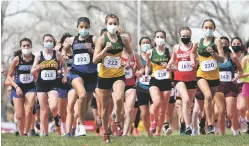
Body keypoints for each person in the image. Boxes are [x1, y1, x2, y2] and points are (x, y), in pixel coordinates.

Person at [93, 14, 133, 142]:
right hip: (104, 76)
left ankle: (116, 122)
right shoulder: (101, 40)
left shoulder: (123, 40)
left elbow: (131, 52)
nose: (112, 26)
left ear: (118, 25)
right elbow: (95, 60)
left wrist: (127, 62)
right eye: (110, 23)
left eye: (115, 23)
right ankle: (106, 132)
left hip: (118, 74)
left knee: (119, 97)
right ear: (106, 25)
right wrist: (105, 49)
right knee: (104, 109)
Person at [62, 17, 97, 136]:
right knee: (81, 95)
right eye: (81, 27)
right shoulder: (72, 40)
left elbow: (100, 54)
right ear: (77, 27)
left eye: (86, 27)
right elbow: (64, 49)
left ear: (89, 28)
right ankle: (82, 125)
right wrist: (64, 55)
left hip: (91, 74)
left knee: (85, 103)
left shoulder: (94, 39)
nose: (84, 29)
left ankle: (79, 123)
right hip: (76, 72)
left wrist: (91, 50)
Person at [190, 19, 224, 134]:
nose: (208, 30)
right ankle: (210, 125)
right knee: (208, 96)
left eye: (210, 27)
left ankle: (203, 119)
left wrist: (213, 54)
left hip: (214, 77)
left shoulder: (217, 41)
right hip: (201, 75)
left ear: (214, 29)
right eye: (206, 27)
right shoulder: (197, 42)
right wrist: (192, 61)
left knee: (208, 104)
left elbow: (222, 58)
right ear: (202, 28)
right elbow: (191, 52)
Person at [31, 34, 68, 136]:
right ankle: (44, 133)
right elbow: (32, 71)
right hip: (41, 85)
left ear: (53, 42)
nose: (49, 43)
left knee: (54, 107)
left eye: (51, 41)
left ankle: (56, 116)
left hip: (53, 84)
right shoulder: (39, 55)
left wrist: (65, 76)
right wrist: (38, 67)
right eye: (47, 41)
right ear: (43, 42)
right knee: (44, 110)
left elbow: (64, 66)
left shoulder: (57, 54)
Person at [167, 27, 197, 135]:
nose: (185, 38)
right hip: (179, 79)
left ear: (190, 35)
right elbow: (173, 59)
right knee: (186, 99)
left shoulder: (194, 47)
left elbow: (198, 59)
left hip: (192, 79)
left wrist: (195, 62)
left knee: (188, 105)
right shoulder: (176, 47)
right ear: (180, 36)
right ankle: (189, 127)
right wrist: (169, 64)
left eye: (187, 36)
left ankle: (183, 122)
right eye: (183, 36)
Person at [145, 30, 174, 136]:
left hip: (166, 82)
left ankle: (158, 132)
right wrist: (146, 73)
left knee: (163, 109)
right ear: (154, 39)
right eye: (157, 37)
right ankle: (154, 122)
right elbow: (148, 65)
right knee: (156, 103)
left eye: (162, 37)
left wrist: (168, 66)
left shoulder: (169, 52)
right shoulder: (150, 52)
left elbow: (175, 68)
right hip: (154, 81)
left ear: (165, 39)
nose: (159, 39)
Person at [213, 36, 243, 135]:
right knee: (221, 111)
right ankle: (222, 134)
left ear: (228, 45)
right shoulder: (215, 57)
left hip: (231, 87)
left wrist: (237, 77)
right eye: (221, 44)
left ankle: (229, 121)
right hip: (218, 87)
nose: (223, 45)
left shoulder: (233, 57)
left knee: (229, 114)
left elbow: (241, 70)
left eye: (226, 43)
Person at [7, 38, 36, 136]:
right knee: (19, 116)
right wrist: (16, 87)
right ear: (21, 47)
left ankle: (27, 132)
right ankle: (22, 134)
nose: (26, 47)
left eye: (28, 45)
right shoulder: (17, 59)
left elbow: (38, 74)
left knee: (29, 109)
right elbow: (9, 76)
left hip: (31, 87)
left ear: (31, 46)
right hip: (18, 87)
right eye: (24, 46)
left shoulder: (35, 59)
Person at [121, 32, 144, 136]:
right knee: (121, 112)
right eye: (123, 39)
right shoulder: (116, 54)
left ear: (129, 41)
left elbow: (142, 67)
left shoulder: (135, 55)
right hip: (118, 85)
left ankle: (125, 134)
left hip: (131, 85)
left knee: (129, 110)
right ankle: (118, 129)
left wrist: (139, 72)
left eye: (127, 40)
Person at [136, 37, 153, 136]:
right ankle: (149, 133)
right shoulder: (137, 57)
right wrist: (136, 72)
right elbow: (133, 70)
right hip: (141, 88)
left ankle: (155, 128)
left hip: (154, 87)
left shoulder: (154, 56)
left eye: (147, 42)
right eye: (143, 43)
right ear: (140, 45)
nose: (145, 44)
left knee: (154, 110)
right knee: (144, 114)